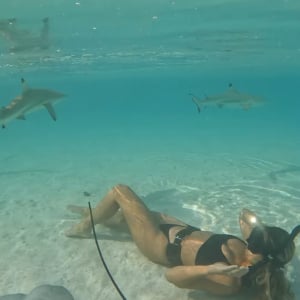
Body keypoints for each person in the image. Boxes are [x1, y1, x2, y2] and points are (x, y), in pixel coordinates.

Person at [66, 184, 299, 299]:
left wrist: (208, 270)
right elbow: (244, 214)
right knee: (124, 218)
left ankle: (84, 227)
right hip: (180, 228)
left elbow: (173, 277)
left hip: (159, 244)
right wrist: (264, 230)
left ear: (260, 245)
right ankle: (98, 214)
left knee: (120, 191)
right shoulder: (252, 248)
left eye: (260, 234)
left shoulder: (231, 280)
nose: (255, 231)